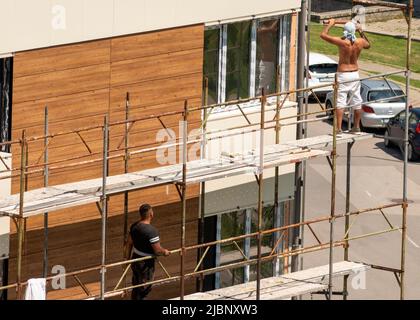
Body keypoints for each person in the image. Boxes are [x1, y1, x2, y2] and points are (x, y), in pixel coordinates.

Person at [320, 18, 371, 134]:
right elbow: (368, 45)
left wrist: (331, 24)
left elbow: (323, 35)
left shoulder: (342, 42)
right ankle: (356, 127)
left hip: (343, 74)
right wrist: (360, 31)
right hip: (354, 73)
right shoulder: (360, 42)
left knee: (340, 101)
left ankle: (338, 129)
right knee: (357, 101)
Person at [124, 204, 170, 300]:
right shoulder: (152, 231)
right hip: (146, 263)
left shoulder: (134, 226)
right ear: (151, 214)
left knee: (136, 285)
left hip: (135, 258)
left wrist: (126, 259)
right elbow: (157, 250)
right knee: (145, 288)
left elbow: (129, 243)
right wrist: (165, 251)